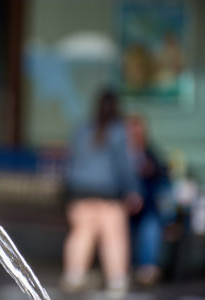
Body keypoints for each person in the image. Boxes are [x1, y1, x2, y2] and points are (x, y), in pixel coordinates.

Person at [61, 89, 141, 298]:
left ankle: (74, 276)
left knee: (81, 233)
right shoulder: (119, 131)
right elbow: (125, 166)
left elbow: (71, 162)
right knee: (113, 237)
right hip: (109, 192)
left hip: (80, 191)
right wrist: (133, 189)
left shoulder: (82, 129)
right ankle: (116, 281)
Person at [126, 114, 169, 286]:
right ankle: (122, 268)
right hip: (123, 206)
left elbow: (163, 175)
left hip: (147, 207)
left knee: (151, 223)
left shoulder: (151, 153)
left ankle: (147, 270)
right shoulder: (119, 153)